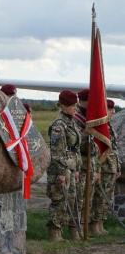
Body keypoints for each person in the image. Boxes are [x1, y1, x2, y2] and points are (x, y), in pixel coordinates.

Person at [46, 91, 81, 242]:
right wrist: (61, 173)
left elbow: (75, 148)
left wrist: (76, 169)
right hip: (60, 169)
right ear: (64, 106)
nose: (75, 108)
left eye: (76, 105)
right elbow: (57, 151)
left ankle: (66, 231)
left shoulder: (71, 122)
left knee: (71, 200)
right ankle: (54, 233)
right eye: (73, 106)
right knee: (59, 200)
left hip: (70, 167)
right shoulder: (59, 126)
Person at [90, 99, 121, 235]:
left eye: (113, 109)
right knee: (99, 198)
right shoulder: (101, 127)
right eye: (110, 109)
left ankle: (101, 223)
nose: (113, 112)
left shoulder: (110, 126)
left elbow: (114, 150)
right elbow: (97, 152)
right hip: (104, 168)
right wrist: (98, 170)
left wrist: (117, 168)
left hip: (111, 168)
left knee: (107, 199)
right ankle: (95, 225)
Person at [74, 88, 101, 237]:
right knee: (79, 198)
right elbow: (76, 144)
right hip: (80, 164)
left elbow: (96, 148)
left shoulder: (91, 117)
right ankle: (77, 229)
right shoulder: (76, 118)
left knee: (88, 198)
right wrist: (86, 134)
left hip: (91, 163)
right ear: (83, 101)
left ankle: (86, 227)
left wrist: (96, 168)